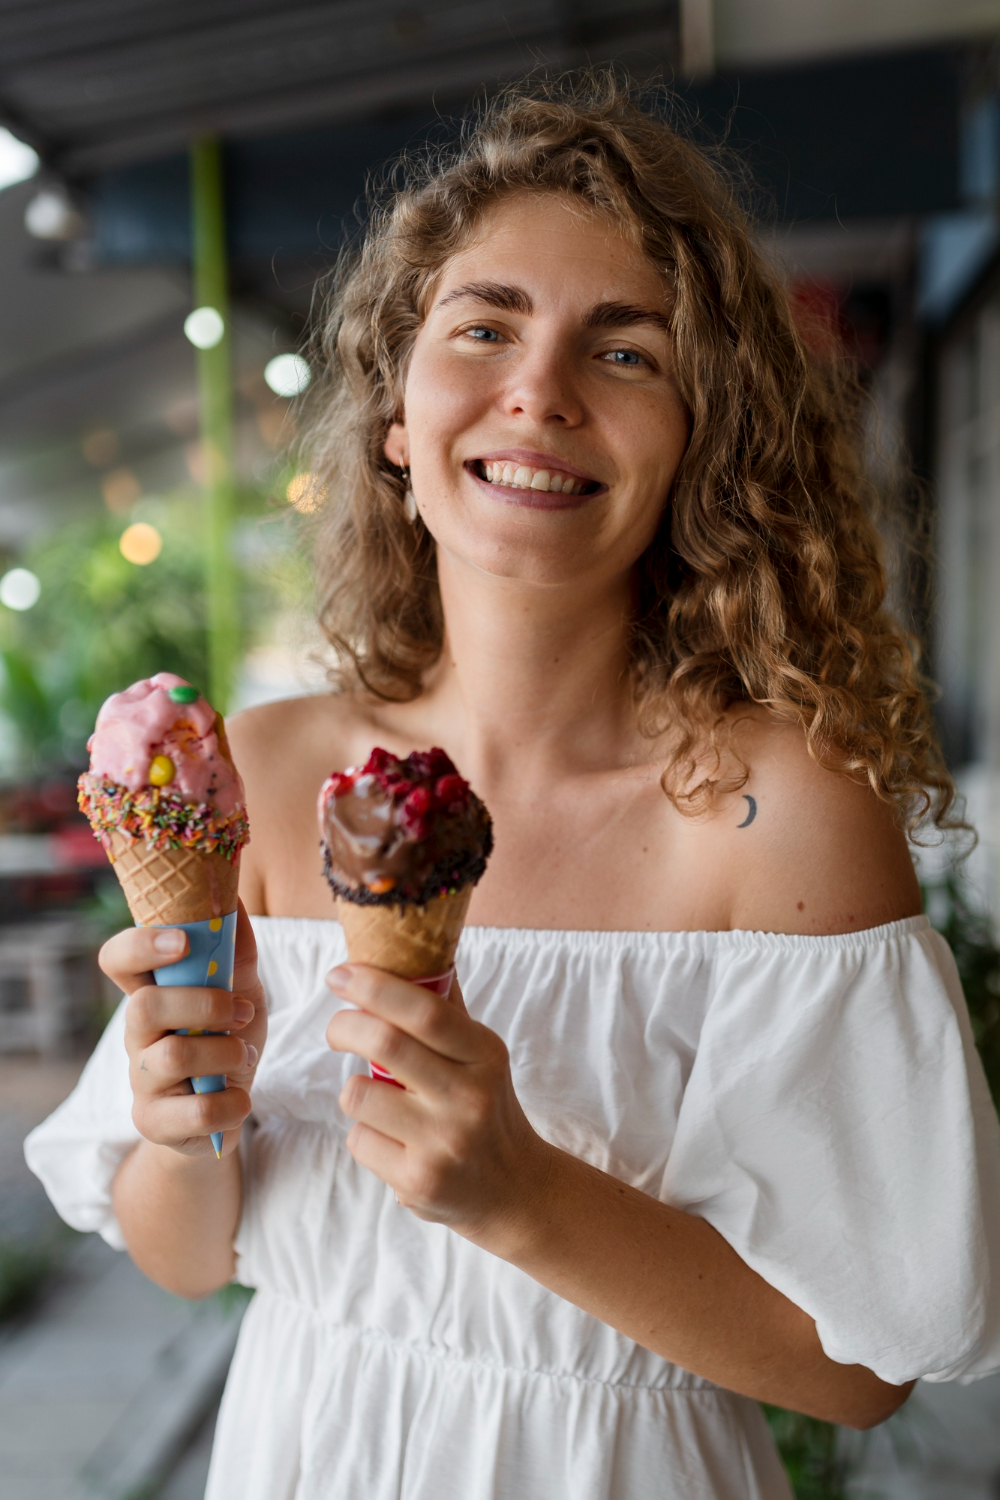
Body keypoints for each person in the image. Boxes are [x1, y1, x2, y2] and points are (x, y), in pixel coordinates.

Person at [26, 73, 1000, 1500]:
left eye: (626, 353)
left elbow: (859, 1373)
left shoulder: (777, 816)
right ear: (398, 425)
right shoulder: (269, 769)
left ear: (699, 444)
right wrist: (183, 1122)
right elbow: (187, 1256)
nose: (537, 391)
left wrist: (525, 1195)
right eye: (483, 329)